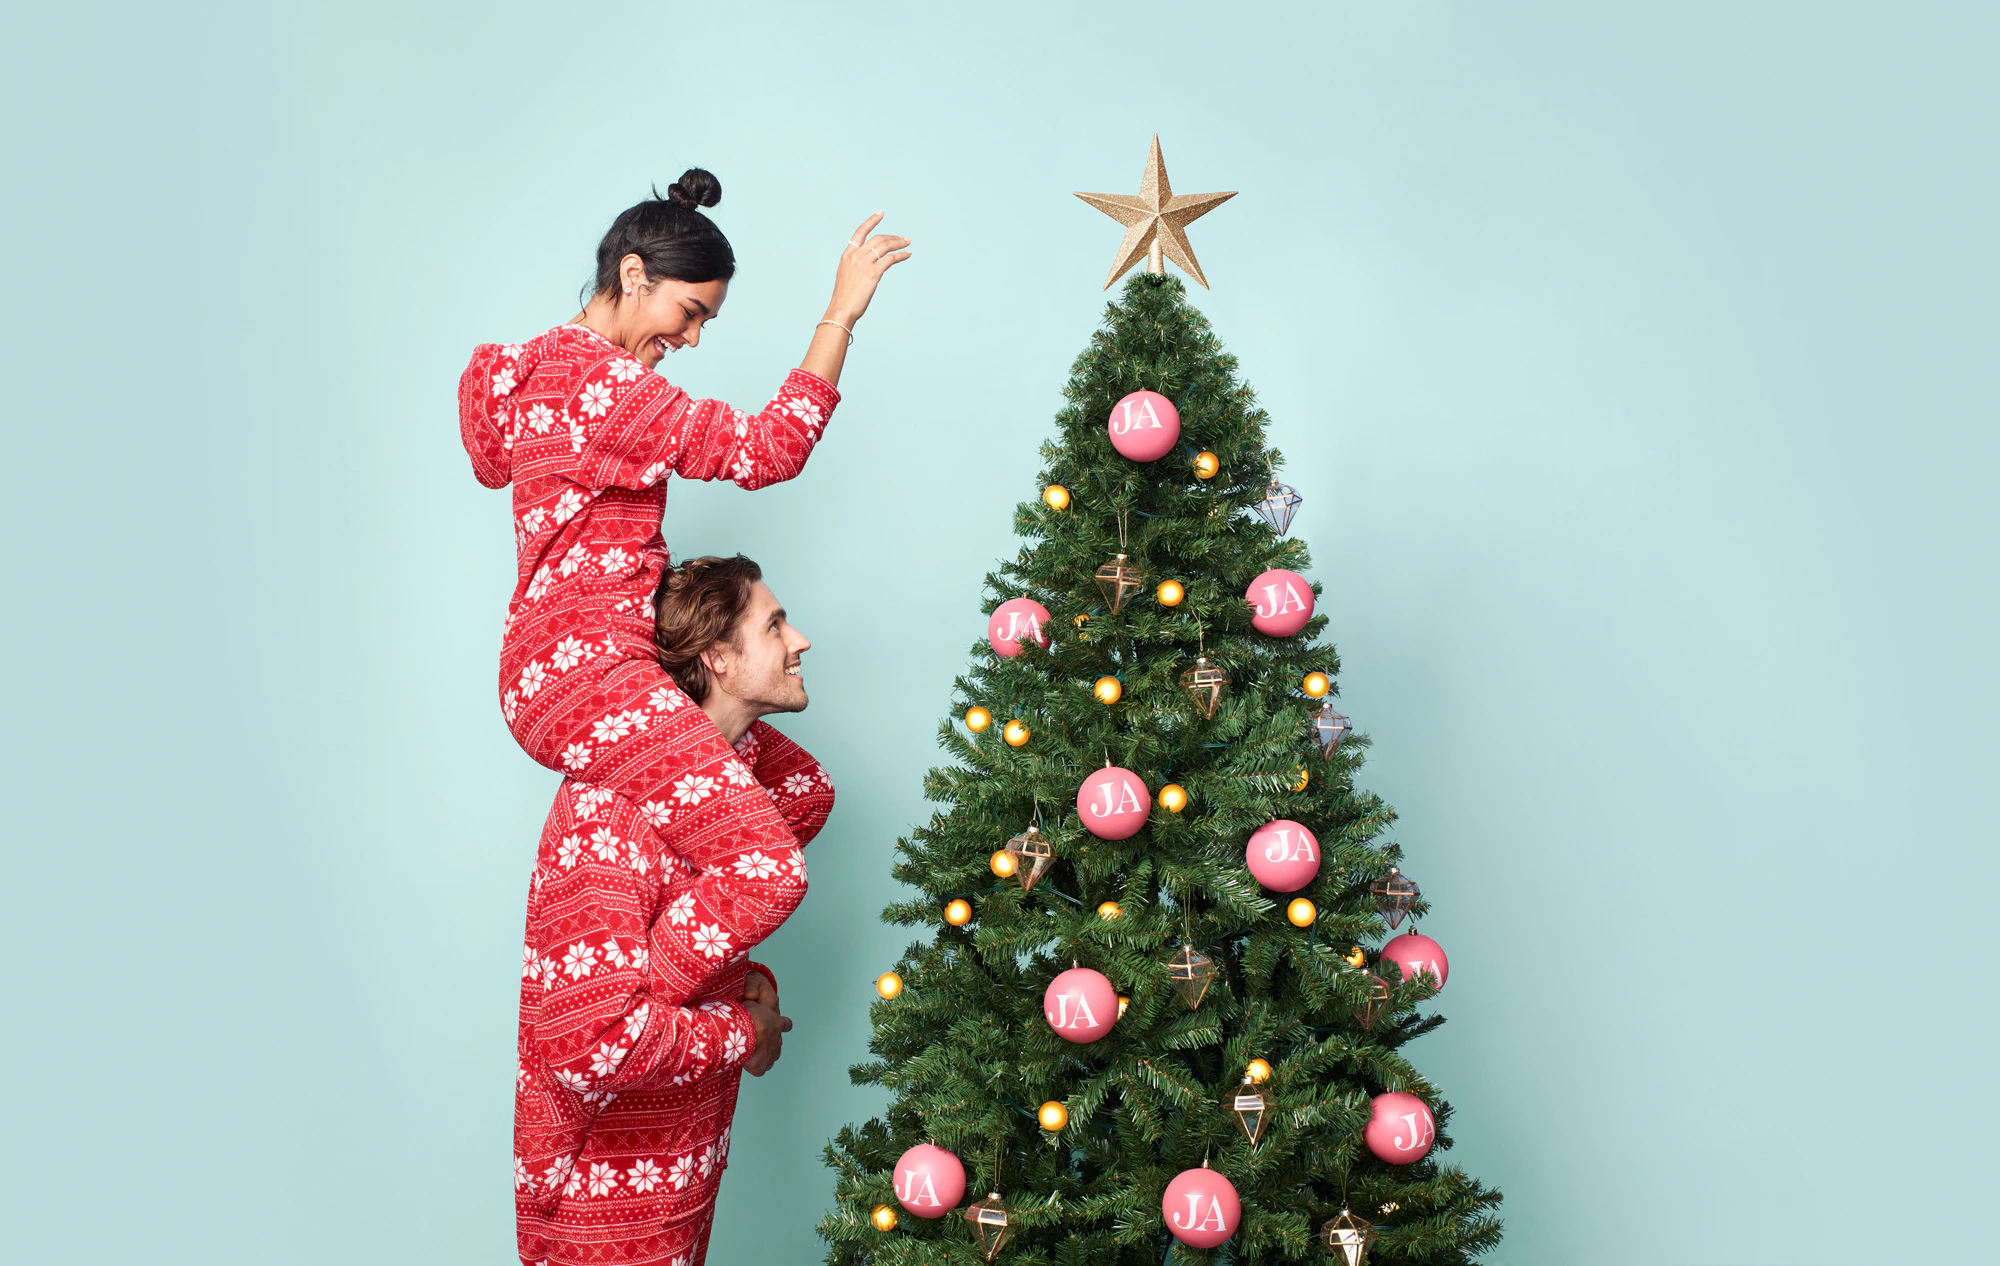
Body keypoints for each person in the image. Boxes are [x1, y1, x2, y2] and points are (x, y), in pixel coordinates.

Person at [458, 169, 908, 1266]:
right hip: (589, 670)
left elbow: (486, 449)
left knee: (781, 801)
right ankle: (622, 1018)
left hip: (573, 669)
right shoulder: (604, 386)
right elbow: (765, 453)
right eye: (688, 311)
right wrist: (837, 317)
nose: (693, 338)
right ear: (630, 274)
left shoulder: (527, 376)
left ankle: (636, 1009)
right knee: (767, 871)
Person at [513, 556, 829, 1266]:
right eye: (775, 624)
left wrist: (742, 980)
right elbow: (592, 1041)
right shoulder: (607, 819)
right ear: (717, 656)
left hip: (683, 1180)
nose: (799, 640)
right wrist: (741, 1030)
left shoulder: (727, 798)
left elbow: (807, 790)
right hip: (599, 1205)